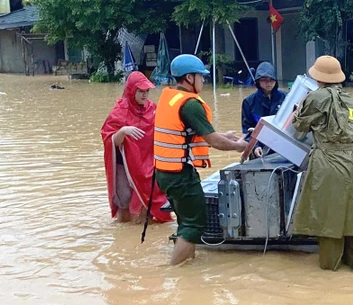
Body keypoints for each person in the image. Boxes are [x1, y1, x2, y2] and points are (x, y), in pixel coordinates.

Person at [153, 54, 249, 265]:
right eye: (201, 76)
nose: (204, 80)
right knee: (195, 225)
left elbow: (190, 135)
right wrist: (238, 146)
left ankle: (188, 266)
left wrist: (226, 135)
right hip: (181, 176)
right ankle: (174, 270)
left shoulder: (171, 98)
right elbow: (213, 141)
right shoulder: (190, 105)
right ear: (189, 78)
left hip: (164, 172)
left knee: (185, 222)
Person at [291, 56, 353, 271]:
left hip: (329, 163)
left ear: (317, 77)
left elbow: (299, 126)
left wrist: (296, 112)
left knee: (329, 221)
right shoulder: (351, 100)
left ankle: (329, 274)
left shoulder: (315, 98)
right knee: (352, 221)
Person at [101, 71, 172, 224]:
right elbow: (110, 140)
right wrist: (123, 131)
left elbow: (168, 130)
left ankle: (143, 227)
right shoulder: (119, 112)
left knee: (150, 195)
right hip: (124, 165)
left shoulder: (153, 109)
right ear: (132, 90)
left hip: (147, 162)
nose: (145, 95)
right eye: (141, 91)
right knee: (124, 201)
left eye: (147, 91)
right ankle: (124, 232)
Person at [242, 61, 286, 136]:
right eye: (264, 80)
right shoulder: (248, 101)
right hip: (258, 140)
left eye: (271, 79)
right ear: (258, 81)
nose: (268, 83)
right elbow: (246, 130)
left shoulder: (286, 98)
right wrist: (256, 146)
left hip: (280, 138)